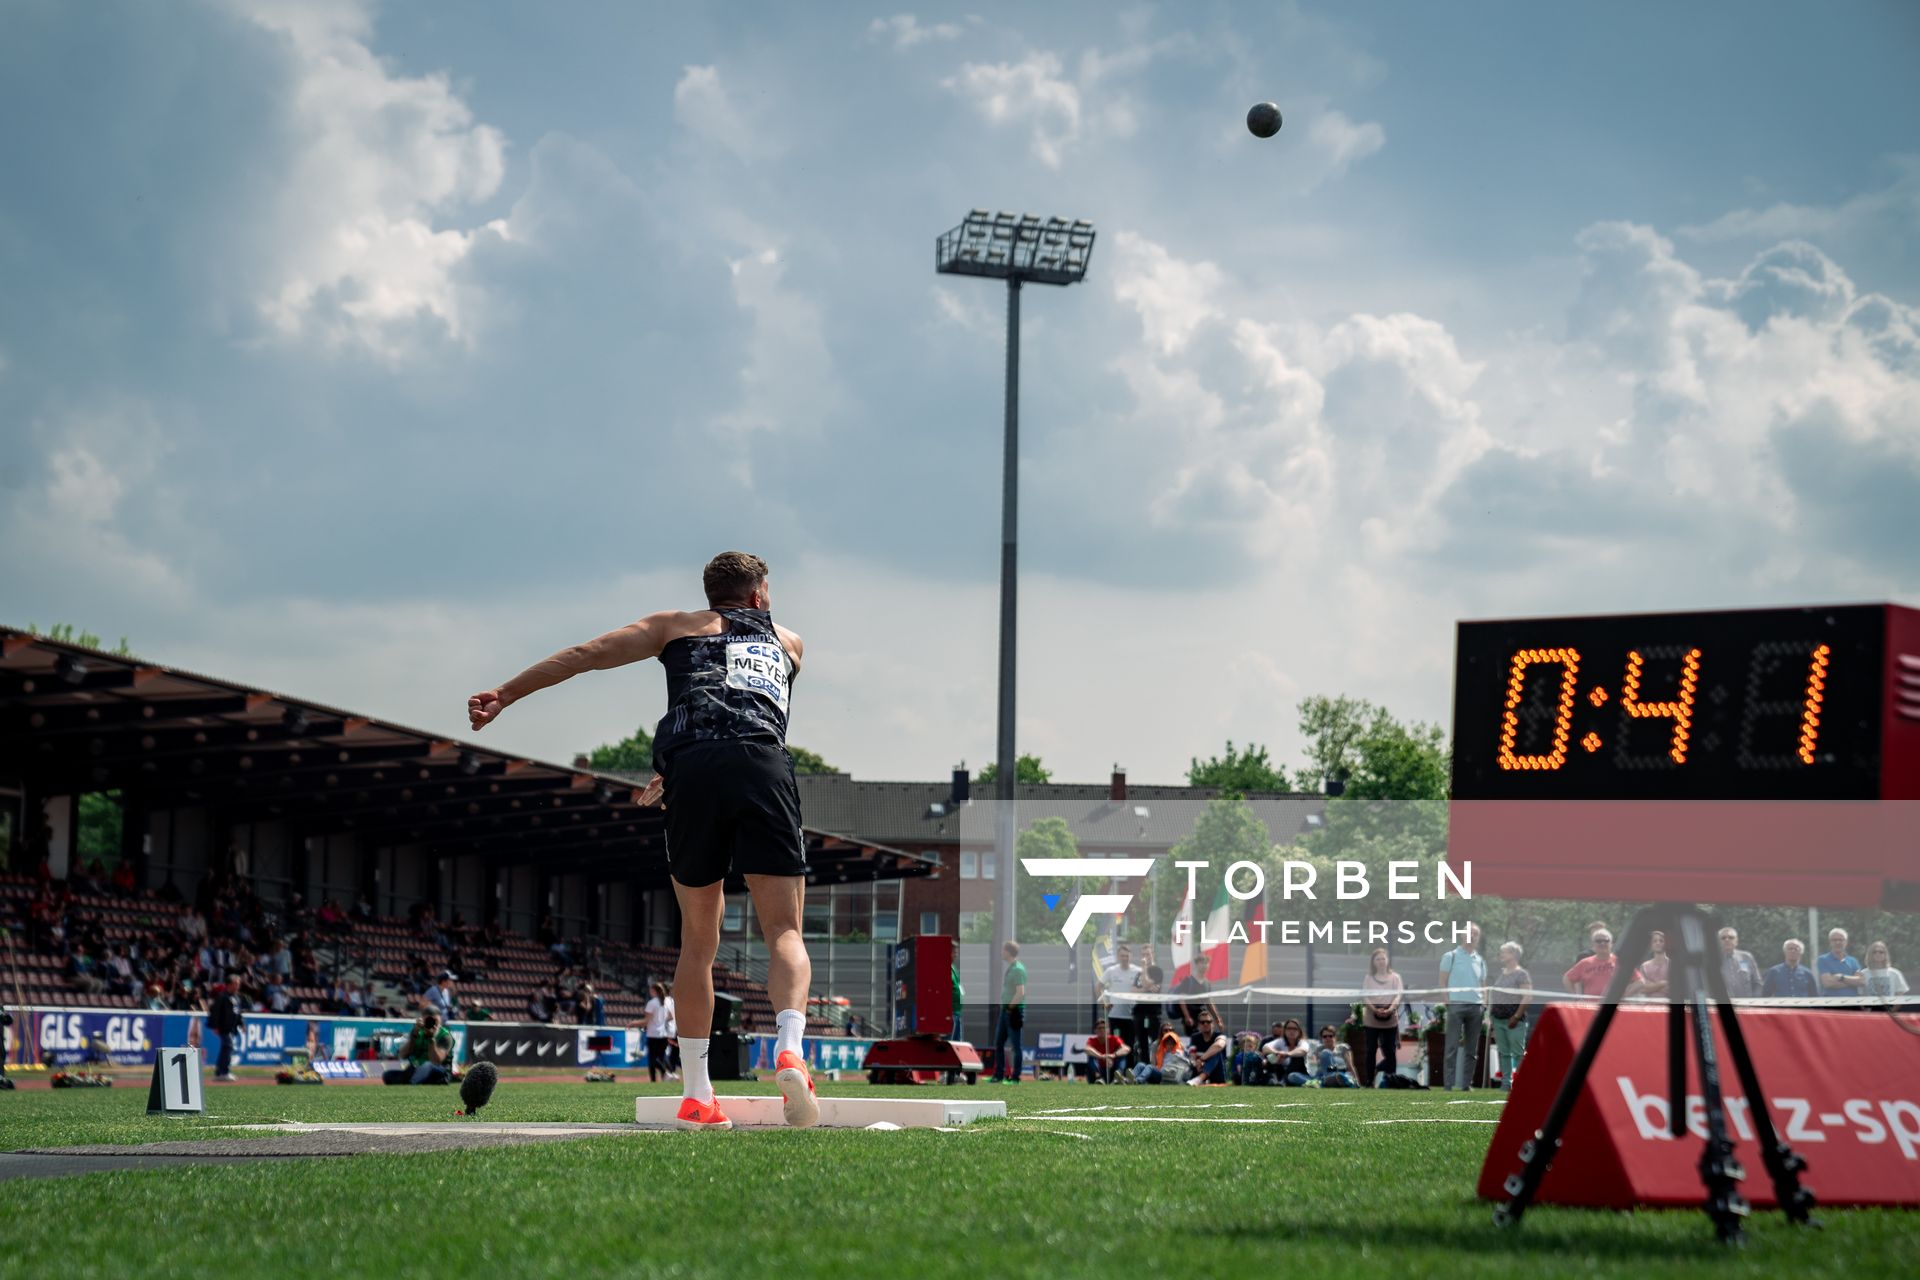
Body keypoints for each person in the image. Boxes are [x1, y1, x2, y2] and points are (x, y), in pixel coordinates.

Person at [470, 551, 817, 1131]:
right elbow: (753, 708)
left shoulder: (670, 627)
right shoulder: (789, 642)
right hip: (762, 767)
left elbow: (584, 656)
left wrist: (505, 693)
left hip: (691, 772)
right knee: (783, 928)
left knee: (698, 943)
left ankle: (698, 1096)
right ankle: (790, 1049)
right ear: (759, 595)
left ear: (711, 593)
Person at [1439, 922, 1486, 1091]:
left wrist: (1484, 1005)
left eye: (1475, 934)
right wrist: (1447, 1001)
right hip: (1456, 1006)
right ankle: (1448, 1085)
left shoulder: (1480, 960)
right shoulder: (1450, 956)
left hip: (1476, 1007)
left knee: (1471, 1050)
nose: (1472, 936)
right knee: (1451, 1047)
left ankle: (1466, 1084)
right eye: (1469, 933)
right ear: (1461, 935)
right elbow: (1443, 981)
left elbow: (1483, 984)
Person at [1488, 941, 1532, 1090]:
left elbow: (1527, 996)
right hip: (1498, 1019)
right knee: (1503, 1053)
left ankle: (1523, 1083)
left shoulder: (1521, 974)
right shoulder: (1501, 973)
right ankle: (1506, 1083)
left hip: (1514, 1021)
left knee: (1518, 1053)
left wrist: (1517, 1016)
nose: (1501, 955)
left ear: (1513, 955)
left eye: (1504, 952)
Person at [1360, 948, 1403, 1083]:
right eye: (1378, 959)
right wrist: (1374, 1009)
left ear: (1387, 960)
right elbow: (1365, 996)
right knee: (1371, 1050)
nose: (1381, 961)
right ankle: (1369, 1081)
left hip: (1390, 1020)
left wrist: (1390, 1009)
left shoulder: (1396, 978)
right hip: (1371, 1019)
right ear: (1373, 962)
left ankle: (1391, 1079)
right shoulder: (1368, 978)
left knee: (1390, 1051)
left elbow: (1398, 995)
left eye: (1383, 959)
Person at [383, 1011, 455, 1085]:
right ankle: (414, 1080)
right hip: (416, 1068)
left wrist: (431, 1038)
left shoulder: (445, 1036)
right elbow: (402, 1055)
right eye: (428, 1020)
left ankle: (412, 1083)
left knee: (427, 1065)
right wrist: (414, 1035)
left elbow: (436, 1061)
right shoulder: (418, 1032)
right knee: (388, 1075)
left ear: (440, 1021)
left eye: (435, 1021)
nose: (432, 1024)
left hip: (439, 1071)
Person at [1563, 927, 1637, 998]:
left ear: (1611, 944)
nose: (1602, 943)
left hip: (1613, 1007)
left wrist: (1623, 996)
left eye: (1606, 941)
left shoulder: (1621, 962)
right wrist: (1576, 997)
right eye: (1598, 941)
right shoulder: (1585, 962)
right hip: (1590, 1007)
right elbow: (1567, 979)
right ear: (1593, 944)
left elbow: (1639, 982)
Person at [993, 941, 1028, 1083]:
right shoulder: (1012, 968)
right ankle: (999, 1075)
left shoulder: (1018, 969)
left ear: (1008, 952)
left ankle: (1015, 1077)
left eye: (1003, 950)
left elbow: (1020, 993)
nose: (1002, 952)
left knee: (1016, 1045)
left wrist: (1010, 1007)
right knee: (999, 1043)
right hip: (1005, 1011)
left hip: (1013, 1012)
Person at [1100, 943, 1141, 1055]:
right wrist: (1105, 1001)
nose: (1124, 958)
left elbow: (1144, 987)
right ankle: (1115, 1071)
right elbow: (1099, 986)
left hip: (1132, 1015)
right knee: (1114, 1045)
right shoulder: (1111, 970)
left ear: (1131, 956)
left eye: (1127, 956)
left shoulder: (1138, 971)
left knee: (1130, 1045)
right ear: (1118, 957)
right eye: (1122, 956)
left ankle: (1129, 1070)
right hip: (1115, 1015)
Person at [207, 981, 243, 1082]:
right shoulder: (222, 997)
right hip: (223, 1027)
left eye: (238, 985)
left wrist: (241, 1024)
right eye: (236, 984)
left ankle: (220, 1072)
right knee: (228, 1047)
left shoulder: (236, 997)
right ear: (229, 984)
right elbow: (215, 1012)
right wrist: (215, 1026)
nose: (237, 987)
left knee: (225, 1048)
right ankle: (224, 1072)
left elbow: (238, 1012)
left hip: (231, 1028)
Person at [1182, 1009, 1228, 1085]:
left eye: (1208, 1022)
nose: (1205, 1024)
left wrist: (1202, 1059)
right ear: (1199, 1025)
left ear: (1213, 1023)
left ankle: (1199, 1079)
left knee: (1216, 1052)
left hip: (1218, 1074)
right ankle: (1198, 1078)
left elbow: (1219, 1045)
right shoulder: (1194, 1037)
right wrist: (1196, 1063)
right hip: (1199, 1068)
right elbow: (1192, 1055)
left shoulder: (1220, 1035)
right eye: (1202, 1022)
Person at [641, 981, 674, 1082]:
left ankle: (662, 1075)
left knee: (652, 1058)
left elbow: (646, 1020)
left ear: (654, 991)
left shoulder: (652, 1002)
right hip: (663, 1033)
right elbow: (670, 1017)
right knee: (660, 1057)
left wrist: (633, 1023)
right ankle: (668, 1073)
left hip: (653, 1034)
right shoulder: (665, 1001)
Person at [1263, 1019, 1310, 1084]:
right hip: (1280, 1071)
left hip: (1298, 1072)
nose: (1292, 1031)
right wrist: (1277, 1053)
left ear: (1299, 1031)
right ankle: (1273, 1079)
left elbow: (1303, 1050)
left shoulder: (1302, 1042)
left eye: (1295, 1029)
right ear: (1284, 1030)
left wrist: (1287, 1054)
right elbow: (1265, 1048)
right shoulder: (1280, 1041)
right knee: (1270, 1056)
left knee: (1297, 1057)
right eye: (1289, 1028)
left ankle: (1283, 1081)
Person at [1719, 927, 1762, 998]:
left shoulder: (1746, 957)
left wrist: (1754, 1000)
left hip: (1746, 1005)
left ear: (1736, 941)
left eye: (1731, 937)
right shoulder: (1713, 961)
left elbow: (1757, 982)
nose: (1727, 940)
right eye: (1723, 938)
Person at [1626, 930, 1671, 999]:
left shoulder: (1672, 965)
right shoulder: (1645, 966)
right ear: (1651, 945)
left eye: (1661, 941)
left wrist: (1651, 986)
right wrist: (1663, 984)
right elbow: (1642, 988)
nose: (1658, 943)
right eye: (1655, 941)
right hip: (1649, 1005)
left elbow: (1673, 988)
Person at [1818, 928, 1864, 993]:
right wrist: (1852, 982)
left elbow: (1861, 981)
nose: (1838, 942)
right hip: (1831, 1001)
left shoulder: (1853, 961)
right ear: (1830, 942)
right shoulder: (1823, 959)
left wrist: (1841, 977)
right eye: (1834, 940)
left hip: (1852, 1001)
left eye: (1841, 940)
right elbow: (1827, 983)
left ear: (1846, 942)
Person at [1084, 1017, 1129, 1084]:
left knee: (1122, 1056)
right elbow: (1086, 1049)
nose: (1102, 1030)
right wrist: (1101, 1056)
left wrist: (1113, 1055)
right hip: (1099, 1070)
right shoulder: (1092, 1040)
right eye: (1099, 1028)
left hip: (1112, 1069)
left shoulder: (1114, 1039)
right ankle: (1099, 1078)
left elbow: (1126, 1049)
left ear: (1108, 1030)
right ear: (1095, 1030)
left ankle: (1118, 1076)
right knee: (1091, 1057)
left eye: (1104, 1028)